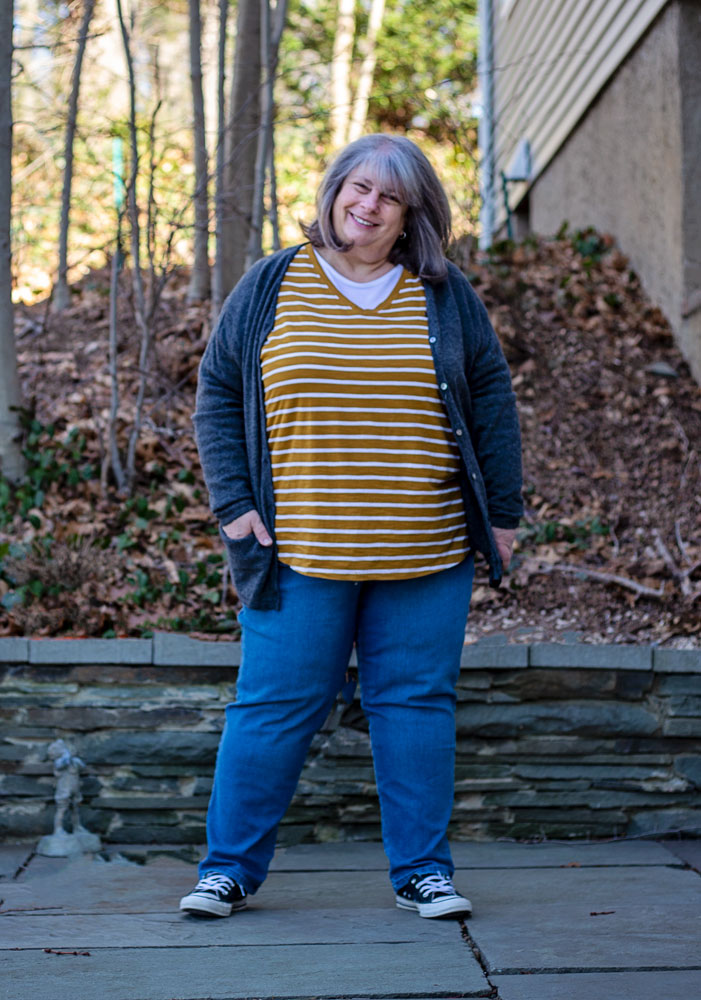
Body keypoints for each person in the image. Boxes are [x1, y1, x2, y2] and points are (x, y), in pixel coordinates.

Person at [180, 134, 522, 921]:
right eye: (355, 187)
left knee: (414, 708)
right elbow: (219, 387)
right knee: (271, 709)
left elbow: (491, 395)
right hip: (297, 552)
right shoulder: (273, 281)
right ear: (335, 189)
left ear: (410, 215)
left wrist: (500, 513)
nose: (364, 206)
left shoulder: (440, 292)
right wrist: (234, 506)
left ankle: (423, 875)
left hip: (426, 550)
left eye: (387, 197)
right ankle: (227, 870)